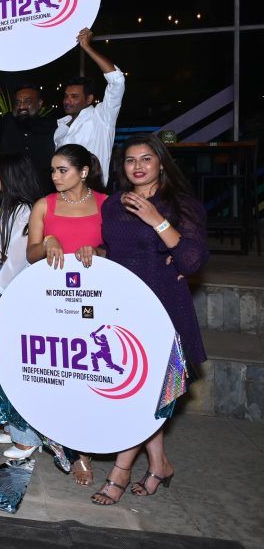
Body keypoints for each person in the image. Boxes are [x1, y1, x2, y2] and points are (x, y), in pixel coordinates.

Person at [91, 135, 208, 506]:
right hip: (123, 306)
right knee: (137, 388)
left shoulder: (180, 204)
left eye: (146, 159)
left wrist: (158, 221)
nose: (137, 166)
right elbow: (114, 250)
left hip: (163, 306)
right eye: (130, 160)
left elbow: (191, 261)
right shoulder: (114, 203)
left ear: (160, 163)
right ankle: (159, 465)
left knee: (146, 392)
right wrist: (95, 252)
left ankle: (120, 471)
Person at [26, 143, 107, 485]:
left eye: (62, 170)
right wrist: (47, 242)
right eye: (53, 171)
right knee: (59, 374)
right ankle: (62, 438)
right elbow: (30, 254)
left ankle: (83, 450)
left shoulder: (106, 204)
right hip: (53, 301)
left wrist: (98, 251)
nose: (55, 176)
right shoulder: (44, 205)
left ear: (84, 171)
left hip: (94, 302)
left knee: (89, 376)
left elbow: (118, 251)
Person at [0, 154, 45, 458]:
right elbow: (5, 249)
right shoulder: (11, 209)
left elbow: (17, 261)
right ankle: (14, 427)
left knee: (21, 363)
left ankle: (28, 437)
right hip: (9, 287)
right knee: (9, 361)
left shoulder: (27, 211)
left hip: (19, 292)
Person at [54, 28, 126, 184]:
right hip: (64, 193)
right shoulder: (61, 126)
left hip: (93, 193)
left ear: (89, 99)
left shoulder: (102, 117)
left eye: (74, 97)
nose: (67, 101)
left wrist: (87, 47)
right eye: (66, 96)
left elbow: (117, 81)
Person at [0, 64, 57, 189]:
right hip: (11, 193)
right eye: (17, 102)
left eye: (28, 102)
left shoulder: (52, 126)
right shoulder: (8, 123)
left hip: (42, 193)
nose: (21, 106)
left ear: (39, 104)